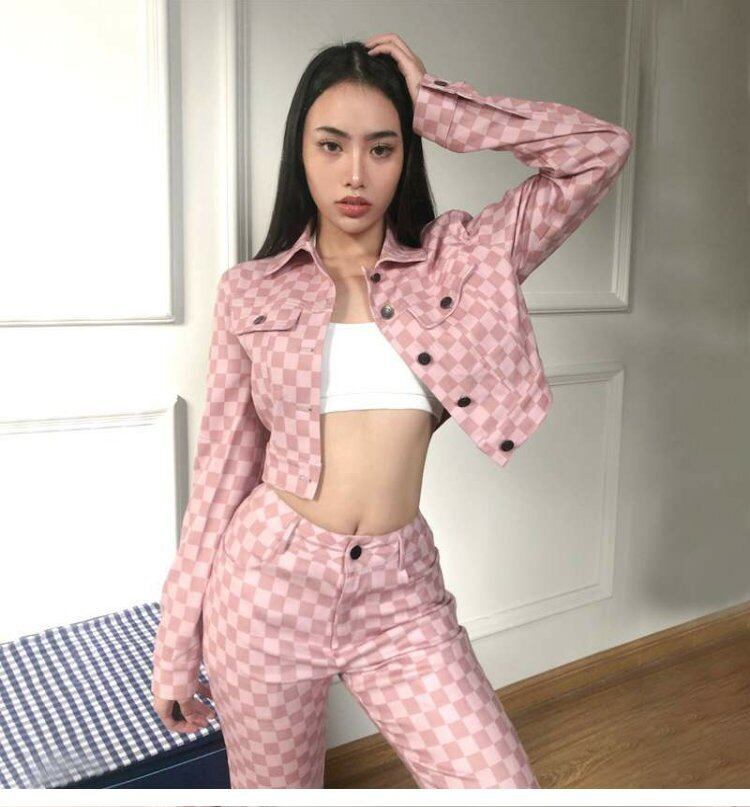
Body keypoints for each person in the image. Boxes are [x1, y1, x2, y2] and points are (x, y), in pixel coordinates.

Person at [150, 32, 632, 788]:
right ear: (300, 153)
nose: (355, 173)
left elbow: (598, 151)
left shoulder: (464, 261)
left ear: (407, 155)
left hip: (400, 595)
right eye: (331, 145)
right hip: (265, 591)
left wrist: (435, 104)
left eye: (381, 147)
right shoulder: (249, 290)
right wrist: (177, 641)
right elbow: (219, 474)